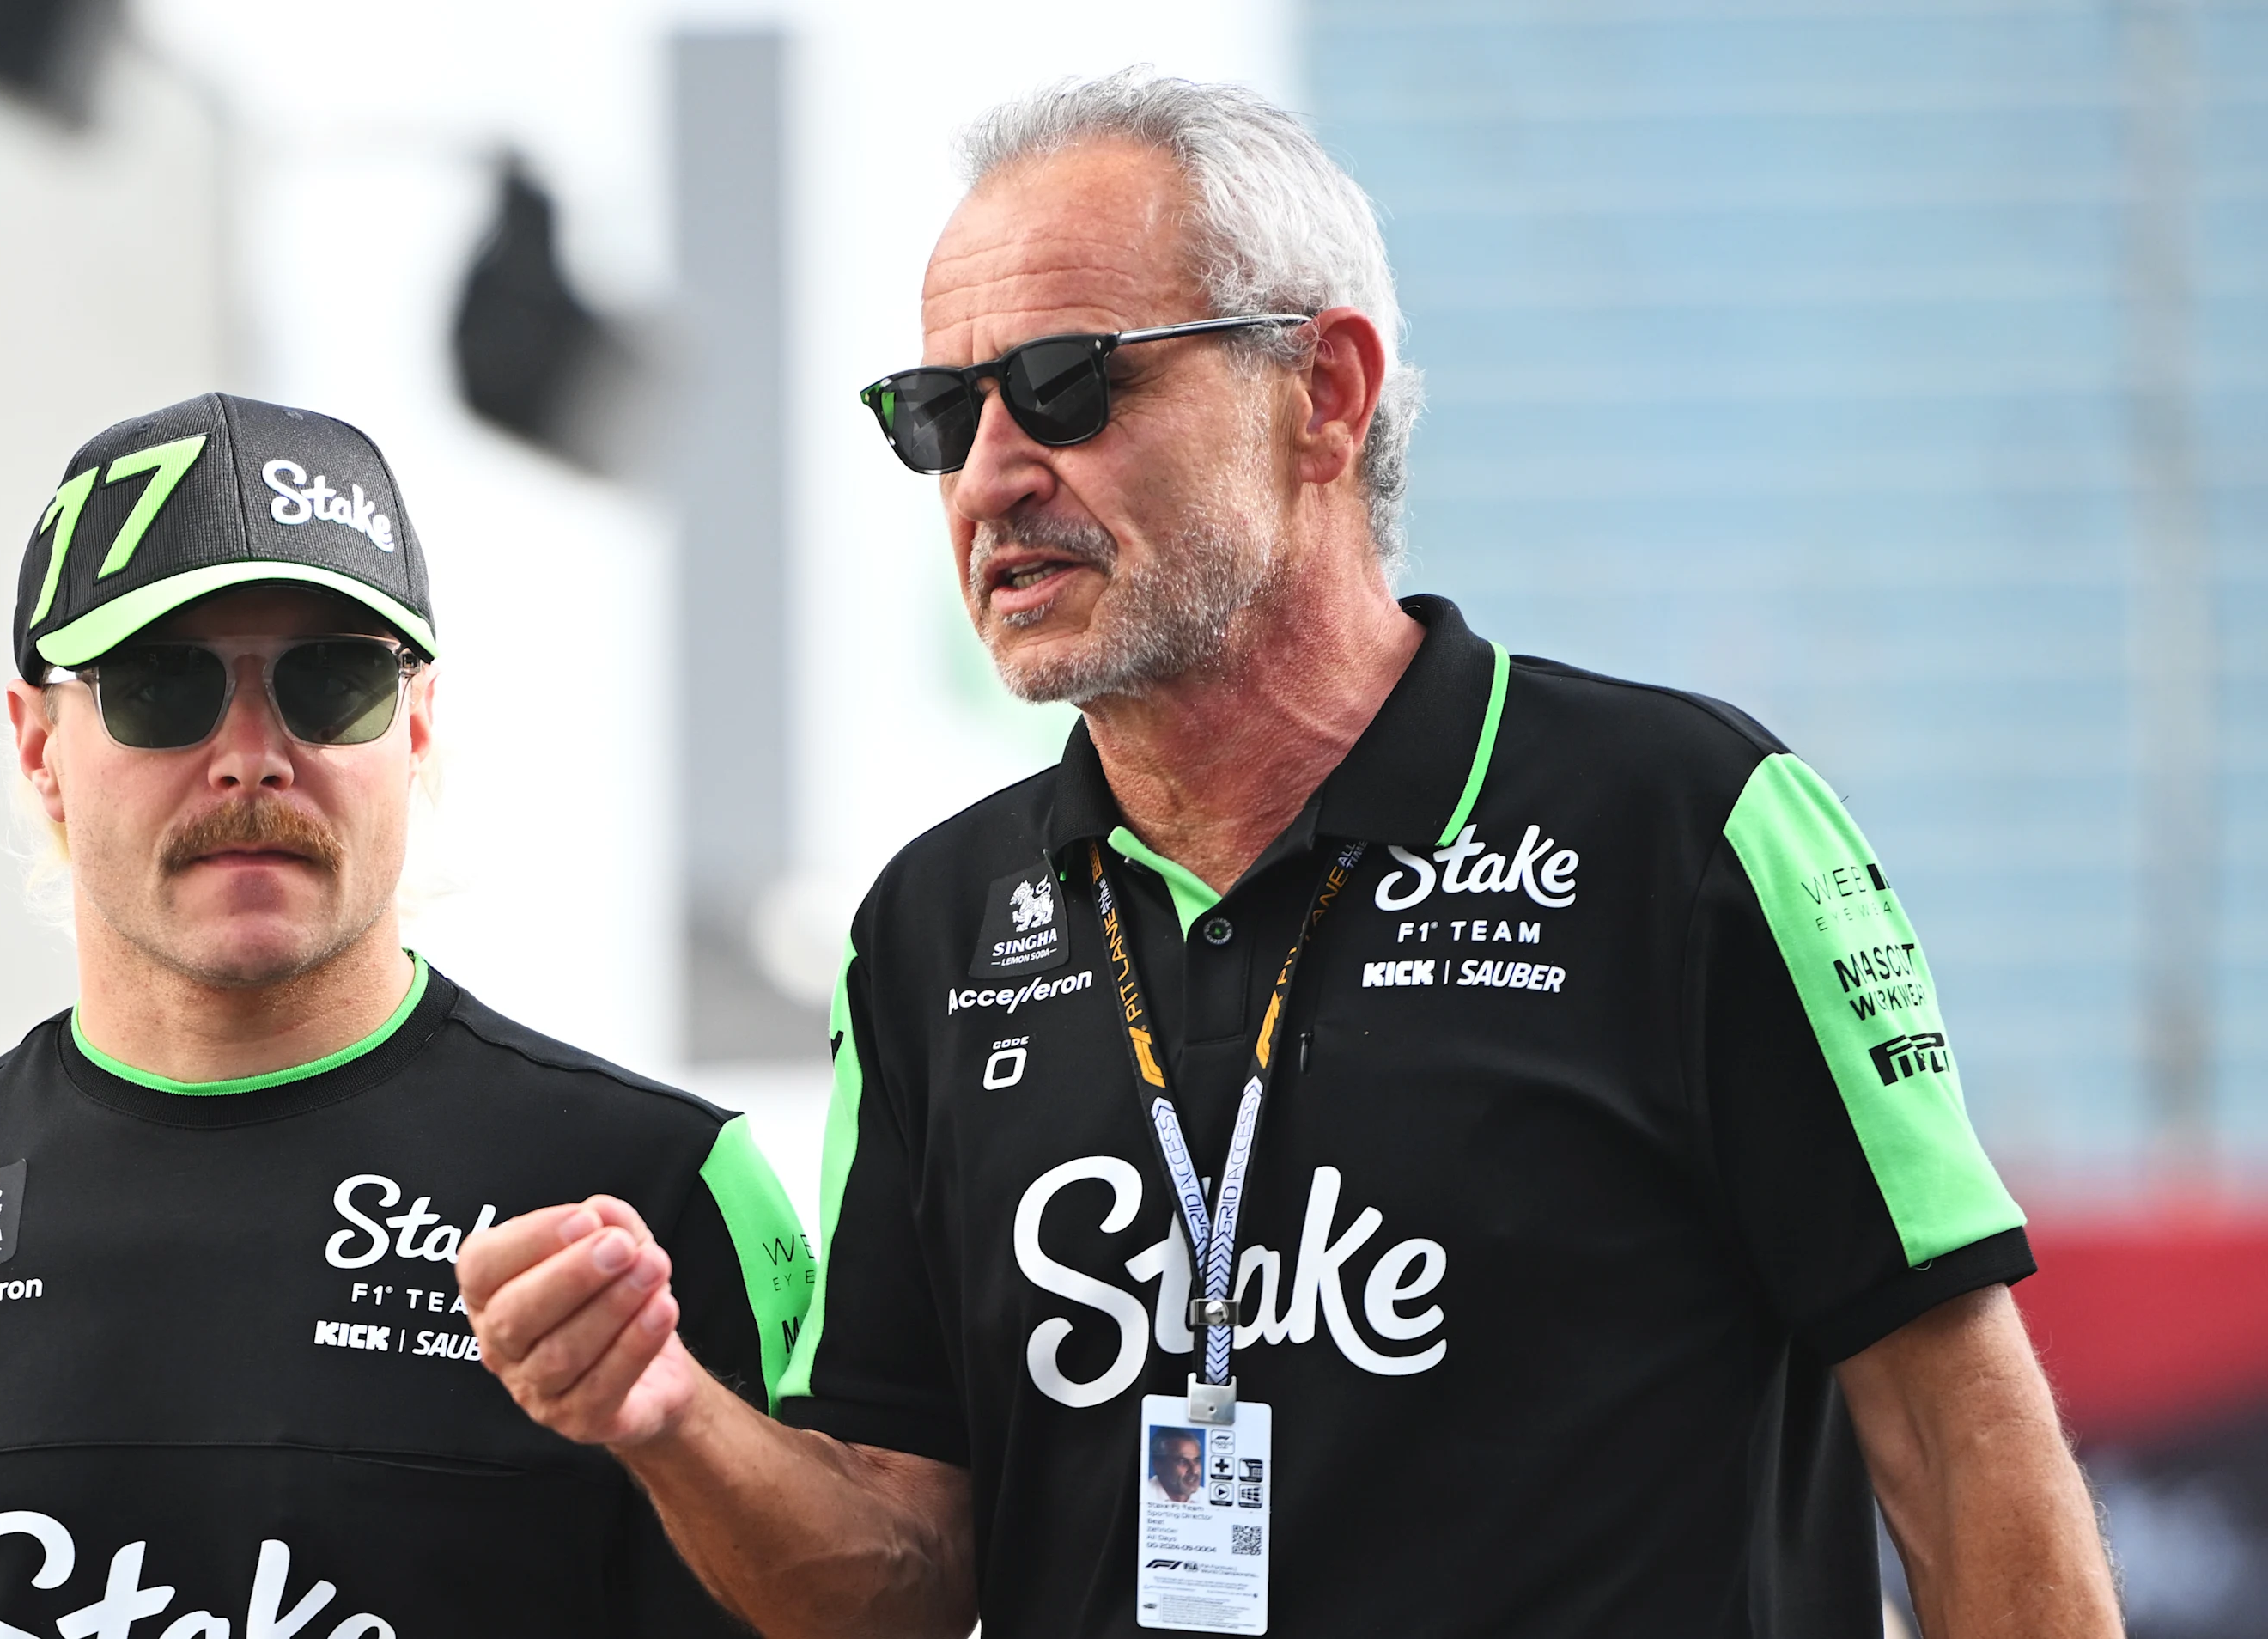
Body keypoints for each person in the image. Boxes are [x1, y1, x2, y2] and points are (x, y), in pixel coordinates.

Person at [458, 73, 2120, 1638]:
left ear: (1322, 395)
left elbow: (1955, 1438)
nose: (990, 473)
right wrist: (663, 1414)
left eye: (1065, 383)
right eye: (938, 414)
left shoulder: (1677, 819)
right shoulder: (934, 925)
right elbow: (895, 1577)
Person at [0, 393, 810, 1637]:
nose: (249, 754)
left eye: (329, 682)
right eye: (159, 686)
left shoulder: (658, 1190)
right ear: (37, 745)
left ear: (421, 724)